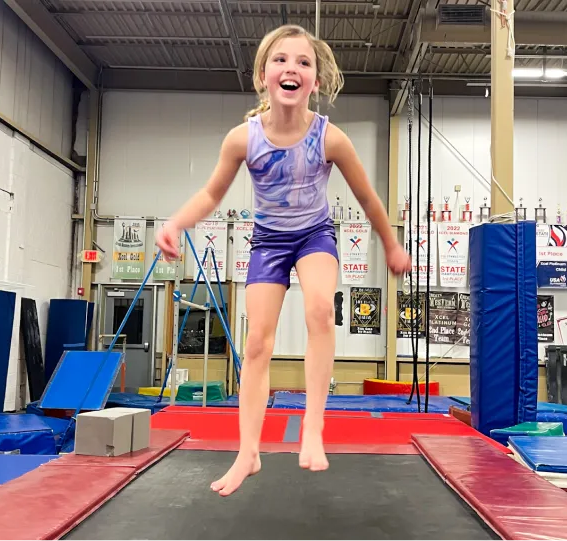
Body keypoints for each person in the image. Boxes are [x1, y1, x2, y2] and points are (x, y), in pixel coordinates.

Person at [155, 24, 412, 496]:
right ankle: (247, 453)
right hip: (269, 241)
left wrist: (391, 244)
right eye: (280, 60)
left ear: (315, 81)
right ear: (262, 75)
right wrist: (175, 223)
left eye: (303, 62)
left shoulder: (330, 138)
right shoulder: (243, 139)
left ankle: (313, 427)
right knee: (257, 343)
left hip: (314, 234)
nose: (291, 67)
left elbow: (370, 200)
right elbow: (212, 193)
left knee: (319, 310)